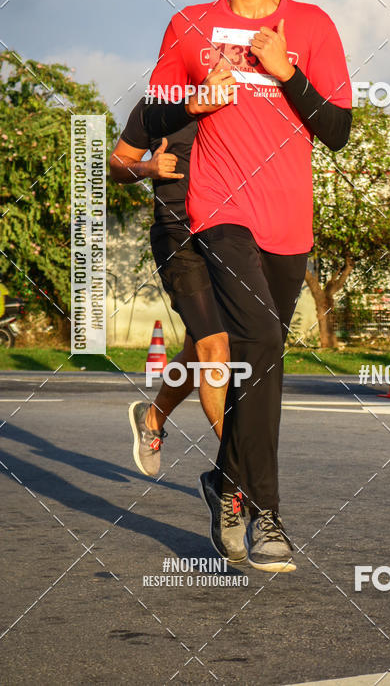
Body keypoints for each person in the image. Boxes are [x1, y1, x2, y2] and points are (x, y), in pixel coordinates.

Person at [148, 0, 352, 572]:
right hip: (218, 208)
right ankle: (267, 515)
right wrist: (191, 98)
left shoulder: (313, 26)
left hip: (288, 223)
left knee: (258, 362)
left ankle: (223, 483)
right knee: (261, 337)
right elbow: (149, 115)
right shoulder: (189, 25)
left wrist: (285, 70)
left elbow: (339, 130)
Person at [109, 96, 250, 563]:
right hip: (178, 234)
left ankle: (151, 420)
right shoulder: (157, 107)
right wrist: (147, 169)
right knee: (215, 349)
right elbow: (116, 165)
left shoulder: (243, 96)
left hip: (232, 234)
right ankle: (237, 474)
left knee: (197, 352)